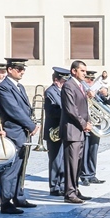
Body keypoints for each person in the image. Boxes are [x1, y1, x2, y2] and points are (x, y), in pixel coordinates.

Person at [0, 58, 40, 213]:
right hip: (14, 131)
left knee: (21, 167)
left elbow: (25, 109)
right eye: (19, 69)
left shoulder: (18, 87)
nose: (22, 72)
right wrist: (31, 125)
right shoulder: (4, 87)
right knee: (11, 170)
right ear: (10, 69)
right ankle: (6, 202)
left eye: (23, 69)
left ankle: (18, 197)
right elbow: (14, 110)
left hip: (23, 131)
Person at [60, 60, 92, 204]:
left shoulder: (80, 86)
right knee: (71, 164)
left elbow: (84, 107)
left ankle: (75, 189)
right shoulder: (68, 86)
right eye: (83, 71)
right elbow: (71, 109)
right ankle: (69, 193)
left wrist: (89, 121)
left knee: (78, 164)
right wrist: (84, 124)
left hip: (79, 131)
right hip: (72, 131)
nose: (85, 73)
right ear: (74, 71)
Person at [80, 70, 110, 186]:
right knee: (85, 150)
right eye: (88, 79)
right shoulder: (81, 90)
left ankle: (92, 174)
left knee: (93, 150)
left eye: (92, 79)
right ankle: (84, 175)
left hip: (96, 124)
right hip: (85, 124)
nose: (91, 81)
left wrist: (106, 95)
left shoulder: (96, 92)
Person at [44, 67, 69, 196]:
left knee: (64, 159)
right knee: (55, 160)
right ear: (56, 80)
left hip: (64, 129)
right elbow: (51, 112)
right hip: (53, 130)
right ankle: (54, 186)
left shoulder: (64, 91)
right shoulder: (50, 92)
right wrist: (68, 110)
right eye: (64, 81)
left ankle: (64, 184)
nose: (66, 84)